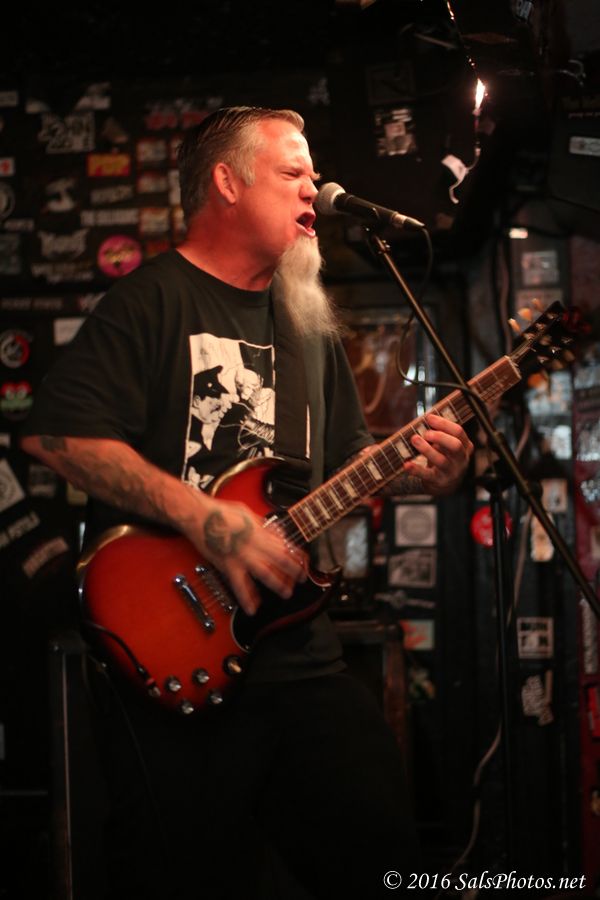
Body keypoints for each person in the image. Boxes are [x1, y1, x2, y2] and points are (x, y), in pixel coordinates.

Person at [21, 106, 473, 899]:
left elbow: (346, 464)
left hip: (296, 646)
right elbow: (57, 437)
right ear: (227, 183)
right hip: (173, 643)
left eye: (314, 176)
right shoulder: (151, 301)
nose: (314, 190)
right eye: (293, 172)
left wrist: (424, 472)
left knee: (380, 852)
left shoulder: (305, 321)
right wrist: (204, 518)